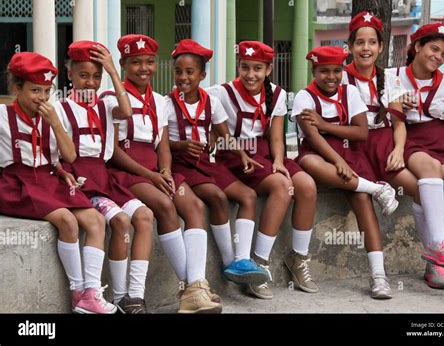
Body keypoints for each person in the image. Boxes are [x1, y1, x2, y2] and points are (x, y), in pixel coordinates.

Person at [343, 12, 444, 289]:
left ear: (381, 47)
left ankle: (435, 259)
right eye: (359, 42)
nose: (366, 48)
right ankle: (385, 273)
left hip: (384, 143)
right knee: (363, 198)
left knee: (422, 187)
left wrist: (398, 149)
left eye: (372, 42)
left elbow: (398, 121)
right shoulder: (341, 77)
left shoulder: (389, 78)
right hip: (354, 147)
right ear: (350, 46)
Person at [102, 34, 222, 313]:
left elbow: (163, 145)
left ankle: (197, 286)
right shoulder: (111, 99)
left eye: (149, 62)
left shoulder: (160, 101)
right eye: (135, 63)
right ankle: (191, 288)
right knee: (165, 205)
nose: (143, 68)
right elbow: (115, 151)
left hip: (156, 169)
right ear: (122, 64)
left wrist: (165, 171)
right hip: (126, 171)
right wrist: (151, 174)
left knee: (194, 205)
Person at [0, 52, 116, 314]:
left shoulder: (53, 117)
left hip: (50, 180)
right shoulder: (2, 116)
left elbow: (69, 156)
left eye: (46, 91)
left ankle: (91, 291)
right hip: (20, 183)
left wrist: (55, 124)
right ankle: (78, 293)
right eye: (34, 90)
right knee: (67, 220)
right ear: (17, 89)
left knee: (96, 220)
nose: (41, 97)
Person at [207, 41, 318, 300]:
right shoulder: (221, 93)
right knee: (282, 187)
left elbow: (277, 137)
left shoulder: (277, 95)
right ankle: (259, 263)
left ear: (268, 69)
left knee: (307, 186)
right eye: (245, 67)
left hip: (268, 154)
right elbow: (190, 100)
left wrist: (279, 160)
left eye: (257, 68)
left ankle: (298, 258)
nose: (250, 74)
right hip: (236, 156)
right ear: (238, 66)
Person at [54, 40, 155, 313]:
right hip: (81, 182)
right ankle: (114, 295)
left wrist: (112, 70)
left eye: (96, 76)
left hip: (104, 178)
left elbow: (127, 110)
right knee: (121, 221)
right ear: (70, 75)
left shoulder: (106, 104)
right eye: (83, 75)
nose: (90, 83)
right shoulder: (61, 109)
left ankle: (133, 295)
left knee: (144, 216)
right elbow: (55, 156)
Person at [292, 45, 397, 299]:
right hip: (320, 155)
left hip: (352, 156)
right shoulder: (304, 97)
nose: (331, 77)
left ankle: (379, 276)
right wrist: (337, 159)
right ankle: (376, 188)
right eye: (324, 71)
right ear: (313, 70)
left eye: (337, 71)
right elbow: (313, 138)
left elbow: (361, 132)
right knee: (309, 164)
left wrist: (326, 124)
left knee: (362, 200)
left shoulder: (349, 92)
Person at [167, 39, 270, 286]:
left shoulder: (210, 102)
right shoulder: (166, 103)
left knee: (247, 195)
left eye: (190, 72)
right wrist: (180, 145)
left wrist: (243, 155)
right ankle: (228, 262)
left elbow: (225, 135)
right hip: (181, 166)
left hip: (205, 164)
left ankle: (242, 260)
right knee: (217, 196)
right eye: (178, 71)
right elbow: (157, 144)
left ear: (202, 75)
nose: (183, 77)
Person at [387, 23, 444, 285]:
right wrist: (397, 101)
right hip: (414, 142)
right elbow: (384, 114)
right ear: (417, 47)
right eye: (433, 49)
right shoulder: (393, 76)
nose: (438, 57)